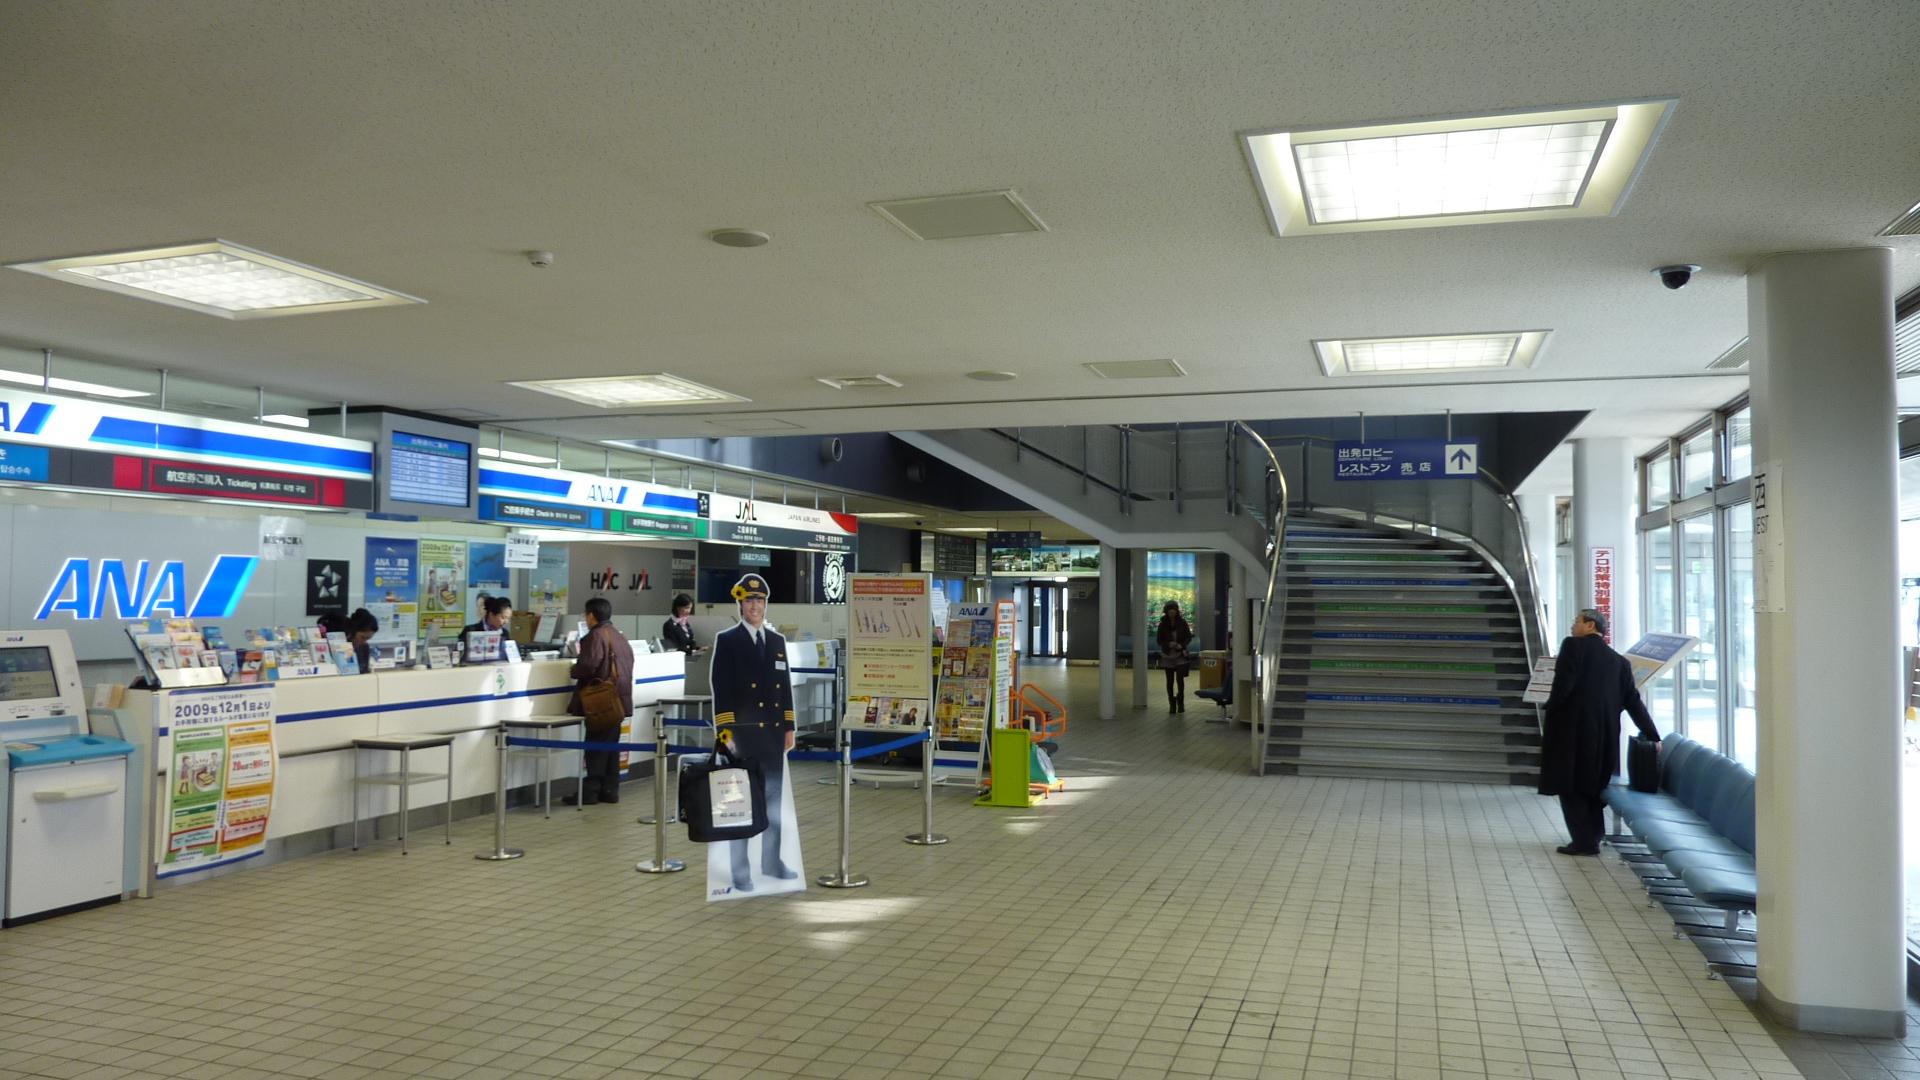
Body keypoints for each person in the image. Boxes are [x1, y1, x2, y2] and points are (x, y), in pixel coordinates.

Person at [1539, 607, 1662, 856]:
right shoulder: (1620, 662)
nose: (1573, 625)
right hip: (1605, 735)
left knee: (1570, 786)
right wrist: (1652, 734)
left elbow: (1564, 685)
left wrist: (1550, 707)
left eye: (1577, 621)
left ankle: (1583, 842)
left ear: (1590, 625)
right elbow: (1633, 701)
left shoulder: (1573, 646)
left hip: (1572, 732)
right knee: (1593, 785)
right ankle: (1594, 835)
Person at [710, 573, 797, 891]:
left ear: (766, 604)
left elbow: (784, 686)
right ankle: (740, 870)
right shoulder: (728, 640)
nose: (755, 606)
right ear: (740, 604)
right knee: (741, 804)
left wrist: (789, 726)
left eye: (759, 600)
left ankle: (772, 862)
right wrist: (726, 732)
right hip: (743, 736)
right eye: (749, 601)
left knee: (773, 803)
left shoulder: (776, 642)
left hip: (772, 735)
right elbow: (721, 689)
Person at [565, 597, 634, 806]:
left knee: (596, 747)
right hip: (619, 700)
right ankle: (610, 790)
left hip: (601, 702)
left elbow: (588, 666)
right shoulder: (619, 636)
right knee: (611, 748)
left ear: (591, 616)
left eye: (586, 615)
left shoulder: (596, 636)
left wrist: (573, 669)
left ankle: (590, 792)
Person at [1156, 600, 1194, 712]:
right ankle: (1172, 704)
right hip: (1168, 655)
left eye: (1174, 610)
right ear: (1166, 611)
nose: (1172, 612)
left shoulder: (1182, 623)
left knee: (1180, 679)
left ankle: (1180, 702)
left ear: (1177, 611)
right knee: (1169, 681)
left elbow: (1188, 637)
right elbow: (1159, 640)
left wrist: (1181, 645)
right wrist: (1168, 644)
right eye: (1170, 610)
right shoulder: (1162, 624)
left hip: (1180, 654)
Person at [459, 595, 513, 659]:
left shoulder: (504, 633)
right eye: (503, 617)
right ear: (491, 614)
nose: (506, 622)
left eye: (508, 618)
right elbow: (458, 655)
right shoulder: (470, 630)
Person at [346, 608, 380, 675]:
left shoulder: (364, 647)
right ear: (353, 631)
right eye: (363, 637)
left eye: (368, 638)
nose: (364, 641)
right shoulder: (342, 647)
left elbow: (365, 671)